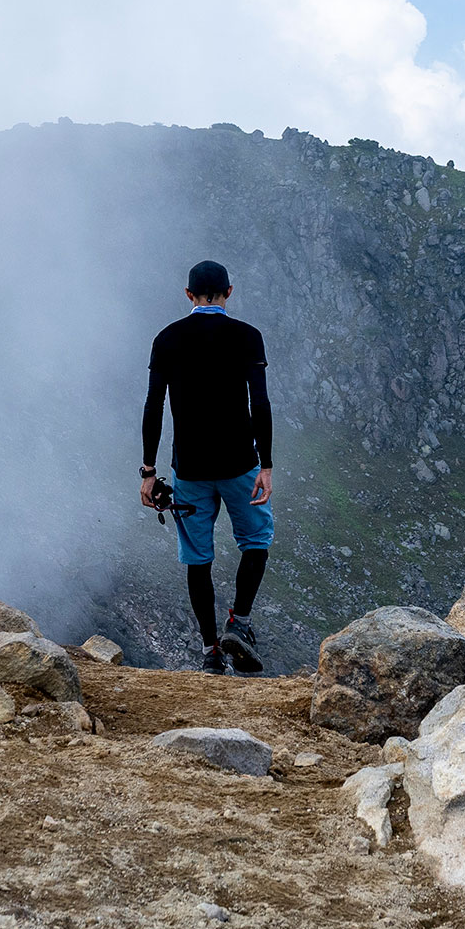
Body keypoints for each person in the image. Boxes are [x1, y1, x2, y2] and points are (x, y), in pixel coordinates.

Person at [140, 259, 273, 674]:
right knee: (256, 540)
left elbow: (153, 407)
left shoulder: (167, 339)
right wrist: (266, 464)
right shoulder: (248, 337)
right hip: (239, 464)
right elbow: (260, 404)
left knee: (198, 558)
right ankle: (240, 622)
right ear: (229, 292)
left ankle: (210, 650)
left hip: (190, 469)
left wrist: (148, 471)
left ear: (188, 295)